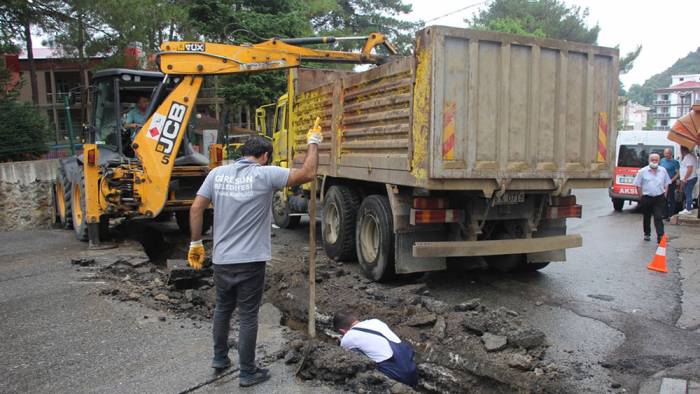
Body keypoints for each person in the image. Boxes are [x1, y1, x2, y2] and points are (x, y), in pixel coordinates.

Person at [187, 124, 322, 387]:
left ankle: (219, 358)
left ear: (243, 153)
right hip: (250, 260)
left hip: (222, 259)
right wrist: (313, 142)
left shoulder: (217, 174)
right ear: (265, 156)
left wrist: (195, 243)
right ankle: (248, 372)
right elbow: (308, 173)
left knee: (223, 308)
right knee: (248, 314)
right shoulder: (265, 174)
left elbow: (196, 208)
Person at [333, 310, 418, 387]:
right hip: (413, 370)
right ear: (355, 319)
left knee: (351, 355)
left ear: (342, 331)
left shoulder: (347, 338)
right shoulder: (376, 321)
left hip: (396, 376)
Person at [633, 153, 671, 243]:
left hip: (659, 197)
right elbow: (638, 185)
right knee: (647, 216)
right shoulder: (642, 171)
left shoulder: (663, 171)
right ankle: (647, 233)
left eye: (656, 160)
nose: (654, 162)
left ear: (659, 161)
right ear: (649, 161)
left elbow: (667, 183)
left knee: (658, 216)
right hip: (647, 197)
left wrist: (665, 194)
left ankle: (660, 236)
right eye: (652, 160)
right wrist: (641, 196)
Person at [659, 148, 680, 219]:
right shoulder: (662, 160)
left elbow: (677, 173)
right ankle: (664, 214)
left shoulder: (675, 162)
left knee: (670, 199)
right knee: (663, 198)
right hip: (662, 182)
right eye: (665, 153)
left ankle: (671, 215)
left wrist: (671, 180)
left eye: (667, 153)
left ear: (671, 154)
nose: (666, 155)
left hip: (671, 183)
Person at [678, 146, 698, 215]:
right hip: (691, 178)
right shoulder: (690, 156)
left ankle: (688, 209)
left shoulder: (688, 157)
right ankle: (689, 207)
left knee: (688, 193)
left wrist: (685, 178)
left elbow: (690, 169)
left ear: (682, 150)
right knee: (689, 193)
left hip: (689, 178)